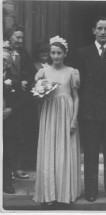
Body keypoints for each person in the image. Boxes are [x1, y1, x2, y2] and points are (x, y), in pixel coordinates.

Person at [76, 16, 106, 202]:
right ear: (93, 31)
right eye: (100, 28)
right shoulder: (83, 53)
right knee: (90, 153)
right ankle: (91, 191)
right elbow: (78, 85)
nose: (103, 32)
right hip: (91, 112)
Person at [33, 36, 81, 205]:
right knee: (50, 151)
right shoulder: (44, 72)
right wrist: (41, 94)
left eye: (59, 53)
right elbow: (38, 96)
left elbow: (75, 97)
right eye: (53, 53)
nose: (55, 56)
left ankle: (64, 193)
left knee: (64, 150)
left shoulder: (71, 72)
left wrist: (74, 119)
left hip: (66, 113)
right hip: (50, 113)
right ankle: (49, 194)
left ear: (65, 53)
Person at [4, 25, 38, 178]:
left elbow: (33, 74)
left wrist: (26, 80)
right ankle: (5, 171)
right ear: (9, 36)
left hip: (19, 100)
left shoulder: (23, 53)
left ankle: (17, 168)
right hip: (4, 97)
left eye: (22, 38)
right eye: (17, 37)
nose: (20, 40)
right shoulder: (1, 51)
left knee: (19, 134)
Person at [3, 46, 23, 194]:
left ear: (9, 63)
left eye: (4, 60)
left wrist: (11, 109)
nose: (1, 62)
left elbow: (21, 101)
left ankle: (6, 183)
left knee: (7, 152)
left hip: (7, 121)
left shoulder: (14, 80)